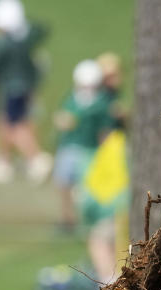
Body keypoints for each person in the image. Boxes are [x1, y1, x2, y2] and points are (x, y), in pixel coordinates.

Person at [0, 0, 52, 183]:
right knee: (6, 123)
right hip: (23, 89)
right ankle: (3, 160)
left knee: (11, 125)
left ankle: (35, 158)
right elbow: (40, 29)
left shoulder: (2, 42)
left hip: (9, 90)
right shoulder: (22, 41)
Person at [52, 59, 116, 233]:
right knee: (64, 184)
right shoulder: (72, 97)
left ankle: (89, 222)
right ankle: (67, 220)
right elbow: (61, 117)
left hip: (89, 150)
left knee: (86, 190)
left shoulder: (102, 103)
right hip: (69, 147)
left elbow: (105, 131)